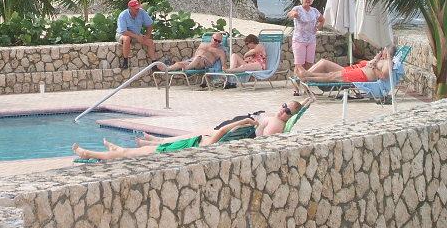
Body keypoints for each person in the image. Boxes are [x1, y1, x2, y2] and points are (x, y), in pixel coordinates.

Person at [72, 100, 303, 161]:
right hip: (178, 147)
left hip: (176, 150)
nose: (283, 111)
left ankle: (91, 154)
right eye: (284, 107)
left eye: (287, 112)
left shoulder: (207, 145)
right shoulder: (203, 144)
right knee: (131, 153)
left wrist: (239, 124)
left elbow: (220, 134)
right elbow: (220, 134)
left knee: (130, 155)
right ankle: (115, 149)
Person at [288, 0, 325, 95]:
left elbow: (322, 20)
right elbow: (290, 14)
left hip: (311, 40)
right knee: (299, 64)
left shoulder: (314, 11)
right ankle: (296, 88)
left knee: (309, 64)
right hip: (299, 40)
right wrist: (293, 14)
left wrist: (318, 27)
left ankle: (306, 86)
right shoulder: (297, 9)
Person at [299, 46, 396, 83]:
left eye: (383, 50)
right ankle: (307, 75)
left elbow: (384, 76)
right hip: (360, 72)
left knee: (332, 76)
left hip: (363, 76)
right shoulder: (382, 60)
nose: (381, 51)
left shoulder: (388, 63)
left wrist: (373, 67)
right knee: (332, 75)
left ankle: (307, 77)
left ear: (387, 52)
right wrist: (375, 60)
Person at [116, 0, 156, 68]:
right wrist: (137, 37)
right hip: (123, 34)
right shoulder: (123, 15)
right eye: (136, 8)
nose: (138, 10)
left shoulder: (142, 12)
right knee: (127, 39)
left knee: (150, 42)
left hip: (136, 34)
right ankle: (125, 62)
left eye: (138, 8)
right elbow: (123, 31)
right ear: (130, 8)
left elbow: (150, 24)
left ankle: (154, 64)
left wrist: (147, 36)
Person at [163, 32, 227, 72]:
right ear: (211, 38)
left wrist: (225, 70)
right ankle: (166, 69)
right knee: (179, 64)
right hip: (194, 61)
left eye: (219, 41)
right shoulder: (203, 44)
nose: (216, 42)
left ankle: (187, 68)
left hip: (205, 64)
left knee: (198, 58)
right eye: (215, 40)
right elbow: (196, 54)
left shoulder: (220, 51)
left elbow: (223, 64)